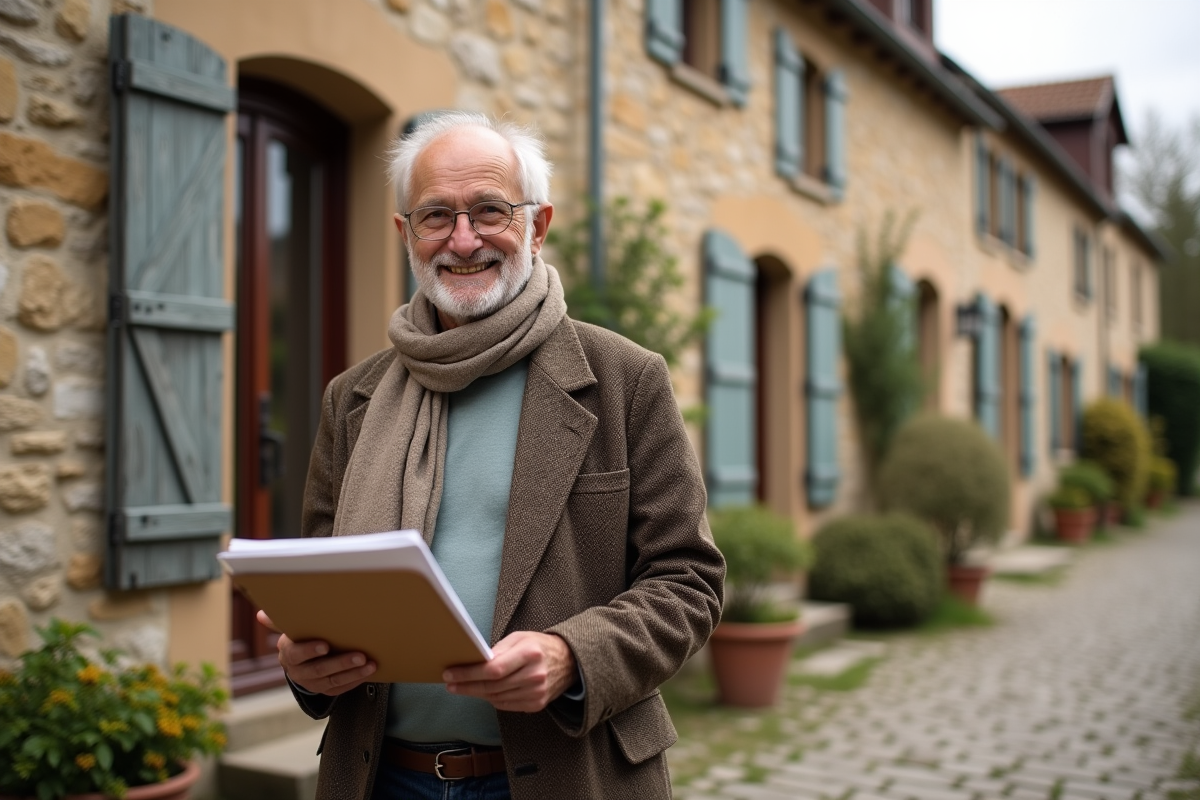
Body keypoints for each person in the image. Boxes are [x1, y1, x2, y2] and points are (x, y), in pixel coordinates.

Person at [259, 111, 725, 800]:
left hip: (566, 776)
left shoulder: (625, 379)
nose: (463, 239)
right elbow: (328, 586)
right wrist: (306, 667)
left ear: (537, 226)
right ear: (406, 234)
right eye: (436, 216)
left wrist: (573, 656)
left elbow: (689, 581)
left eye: (489, 210)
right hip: (381, 777)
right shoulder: (352, 398)